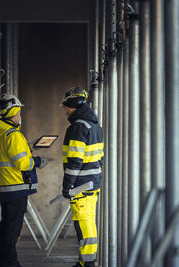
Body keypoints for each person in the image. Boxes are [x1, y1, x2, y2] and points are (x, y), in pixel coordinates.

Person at [0, 94, 46, 267]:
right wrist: (37, 161)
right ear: (13, 112)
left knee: (8, 224)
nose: (19, 115)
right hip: (16, 186)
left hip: (6, 185)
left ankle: (7, 260)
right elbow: (22, 162)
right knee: (12, 228)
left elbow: (11, 153)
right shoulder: (13, 135)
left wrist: (29, 147)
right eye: (18, 112)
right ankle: (9, 263)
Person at [60, 87, 104, 267]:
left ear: (74, 105)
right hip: (91, 183)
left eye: (66, 106)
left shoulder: (79, 126)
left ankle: (88, 263)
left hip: (80, 185)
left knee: (84, 224)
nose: (64, 109)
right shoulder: (93, 125)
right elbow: (99, 159)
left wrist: (67, 185)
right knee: (86, 222)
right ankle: (84, 260)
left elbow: (75, 161)